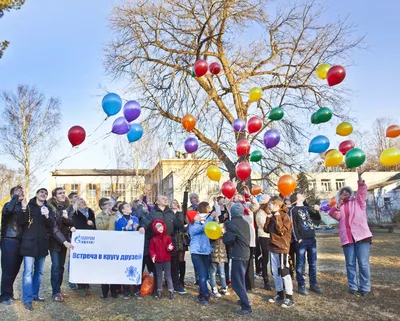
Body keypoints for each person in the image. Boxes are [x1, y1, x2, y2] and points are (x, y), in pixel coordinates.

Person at [18, 188, 73, 311]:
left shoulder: (48, 209)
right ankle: (27, 299)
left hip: (42, 245)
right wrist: (23, 208)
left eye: (45, 193)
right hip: (29, 244)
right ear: (36, 194)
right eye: (41, 192)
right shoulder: (28, 206)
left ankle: (35, 295)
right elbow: (20, 222)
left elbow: (52, 226)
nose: (44, 194)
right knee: (28, 272)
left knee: (39, 272)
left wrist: (47, 216)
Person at [328, 172, 372, 297]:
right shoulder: (339, 207)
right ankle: (353, 286)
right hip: (347, 239)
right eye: (343, 192)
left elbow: (362, 193)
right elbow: (333, 215)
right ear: (340, 195)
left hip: (362, 237)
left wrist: (361, 182)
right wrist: (338, 204)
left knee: (363, 263)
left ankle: (365, 287)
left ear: (351, 193)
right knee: (350, 264)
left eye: (347, 191)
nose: (345, 193)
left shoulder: (358, 202)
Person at [145, 195, 183, 296]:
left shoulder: (171, 213)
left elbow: (179, 225)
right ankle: (158, 288)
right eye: (163, 198)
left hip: (170, 243)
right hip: (157, 245)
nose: (166, 199)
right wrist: (141, 227)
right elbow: (146, 225)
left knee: (173, 267)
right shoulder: (152, 213)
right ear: (157, 201)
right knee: (157, 269)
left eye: (166, 198)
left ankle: (175, 286)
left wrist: (179, 213)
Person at [290, 193, 323, 295]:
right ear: (296, 198)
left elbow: (317, 219)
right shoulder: (293, 210)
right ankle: (301, 285)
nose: (303, 195)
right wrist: (298, 238)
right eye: (300, 194)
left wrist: (317, 211)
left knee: (312, 263)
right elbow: (293, 225)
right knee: (300, 264)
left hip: (311, 238)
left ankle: (313, 284)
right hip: (302, 240)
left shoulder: (307, 208)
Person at [265, 196, 295, 308]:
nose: (268, 207)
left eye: (270, 205)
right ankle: (279, 293)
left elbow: (281, 231)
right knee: (275, 272)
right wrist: (269, 218)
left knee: (284, 272)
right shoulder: (272, 216)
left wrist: (277, 217)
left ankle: (289, 297)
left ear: (277, 206)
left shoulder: (285, 217)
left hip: (282, 247)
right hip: (273, 247)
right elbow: (266, 229)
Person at [223, 203, 252, 315]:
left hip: (238, 255)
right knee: (241, 279)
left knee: (236, 282)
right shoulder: (245, 222)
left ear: (233, 212)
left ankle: (246, 306)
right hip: (246, 254)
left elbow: (228, 240)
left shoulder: (232, 224)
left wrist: (224, 233)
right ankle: (243, 299)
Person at [47, 187, 74, 302]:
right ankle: (55, 292)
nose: (63, 195)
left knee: (61, 267)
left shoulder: (68, 207)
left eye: (63, 193)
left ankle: (59, 289)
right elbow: (53, 228)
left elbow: (70, 223)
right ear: (54, 196)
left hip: (65, 241)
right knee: (56, 266)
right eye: (60, 193)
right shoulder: (49, 208)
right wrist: (64, 241)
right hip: (54, 241)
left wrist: (67, 219)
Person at [115, 202, 145, 299]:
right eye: (127, 206)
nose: (129, 207)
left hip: (134, 247)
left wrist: (137, 228)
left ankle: (136, 290)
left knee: (136, 266)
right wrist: (127, 227)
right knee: (125, 267)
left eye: (129, 206)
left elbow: (137, 233)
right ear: (123, 210)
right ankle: (126, 290)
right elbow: (118, 235)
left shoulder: (135, 219)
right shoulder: (119, 220)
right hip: (124, 247)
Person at [0, 185, 24, 305]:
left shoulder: (21, 207)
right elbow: (7, 211)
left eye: (22, 191)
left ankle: (9, 293)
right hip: (9, 240)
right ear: (13, 194)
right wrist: (15, 197)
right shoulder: (8, 205)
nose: (21, 193)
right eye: (18, 191)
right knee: (8, 269)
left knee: (15, 269)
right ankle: (4, 296)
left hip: (20, 241)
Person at [188, 202, 214, 305]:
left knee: (205, 274)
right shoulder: (193, 222)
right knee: (202, 274)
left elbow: (212, 228)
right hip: (196, 251)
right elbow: (196, 230)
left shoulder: (208, 220)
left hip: (206, 251)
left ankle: (201, 294)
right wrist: (205, 222)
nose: (209, 208)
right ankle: (206, 295)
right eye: (197, 215)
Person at [70, 198, 96, 296]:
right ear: (77, 204)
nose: (83, 203)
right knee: (80, 259)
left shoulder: (90, 212)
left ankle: (86, 281)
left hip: (90, 238)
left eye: (84, 201)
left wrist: (92, 223)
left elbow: (94, 224)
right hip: (80, 239)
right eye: (81, 202)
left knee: (88, 260)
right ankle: (80, 282)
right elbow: (75, 225)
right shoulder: (75, 213)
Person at [96, 197, 120, 299]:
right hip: (104, 245)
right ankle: (104, 291)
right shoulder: (99, 216)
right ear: (102, 206)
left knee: (114, 268)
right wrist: (106, 216)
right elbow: (100, 227)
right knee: (104, 268)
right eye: (107, 204)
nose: (109, 205)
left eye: (110, 203)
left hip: (114, 244)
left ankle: (114, 290)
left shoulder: (116, 215)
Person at [149, 220, 175, 300]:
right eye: (157, 227)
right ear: (155, 229)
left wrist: (170, 248)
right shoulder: (153, 239)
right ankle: (159, 291)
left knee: (168, 276)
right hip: (158, 260)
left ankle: (171, 291)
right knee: (159, 276)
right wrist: (153, 255)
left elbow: (170, 247)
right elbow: (151, 249)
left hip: (166, 259)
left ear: (164, 227)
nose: (160, 228)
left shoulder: (168, 238)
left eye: (161, 226)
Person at [171, 198, 188, 294]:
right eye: (172, 202)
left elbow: (180, 224)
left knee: (181, 258)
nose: (174, 204)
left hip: (180, 236)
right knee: (174, 259)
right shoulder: (169, 212)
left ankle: (181, 279)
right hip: (172, 235)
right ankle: (175, 279)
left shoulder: (180, 213)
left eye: (175, 203)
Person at [255, 194, 272, 290]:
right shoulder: (260, 214)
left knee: (270, 259)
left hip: (270, 237)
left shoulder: (267, 213)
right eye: (268, 204)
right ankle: (266, 280)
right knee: (265, 259)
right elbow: (265, 226)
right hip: (263, 237)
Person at [209, 221, 230, 298]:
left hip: (219, 256)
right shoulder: (216, 235)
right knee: (215, 272)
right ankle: (214, 288)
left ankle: (223, 287)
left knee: (220, 273)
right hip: (217, 256)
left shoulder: (223, 236)